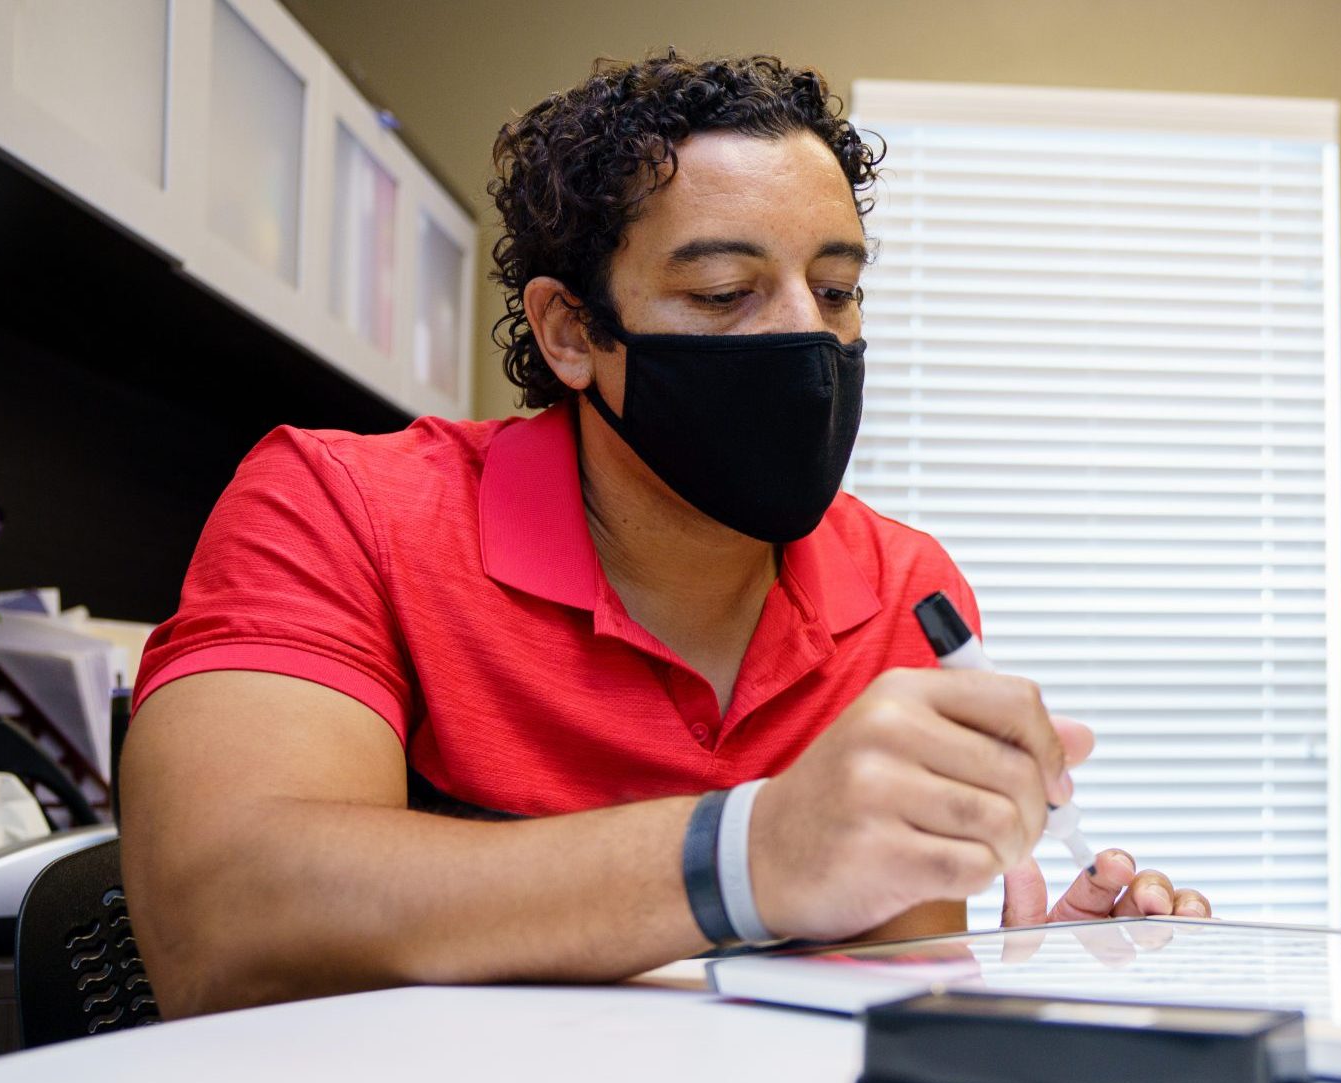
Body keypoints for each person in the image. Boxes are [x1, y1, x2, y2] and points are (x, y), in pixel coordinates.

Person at [121, 54, 1206, 1017]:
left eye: (835, 291)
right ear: (571, 331)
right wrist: (747, 853)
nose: (804, 338)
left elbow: (869, 978)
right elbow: (223, 921)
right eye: (727, 291)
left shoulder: (905, 588)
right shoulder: (341, 509)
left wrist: (1009, 975)